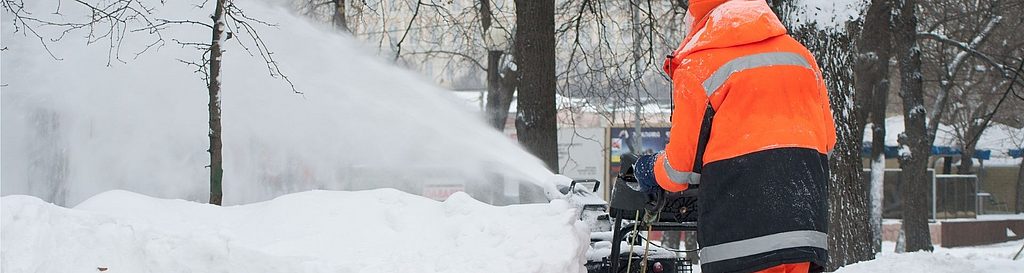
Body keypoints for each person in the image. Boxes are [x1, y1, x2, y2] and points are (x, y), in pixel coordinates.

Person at [631, 0, 836, 273]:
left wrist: (650, 171)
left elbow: (680, 169)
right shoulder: (800, 56)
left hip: (740, 239)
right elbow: (827, 143)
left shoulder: (700, 65)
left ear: (698, 17)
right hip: (805, 232)